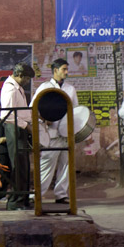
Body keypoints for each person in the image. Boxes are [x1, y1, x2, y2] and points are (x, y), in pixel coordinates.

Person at [32, 58, 78, 204]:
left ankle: (61, 194)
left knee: (66, 164)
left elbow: (75, 110)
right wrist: (44, 120)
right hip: (50, 132)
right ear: (55, 70)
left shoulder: (70, 89)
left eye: (67, 69)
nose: (66, 72)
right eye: (64, 69)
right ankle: (36, 194)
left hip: (67, 133)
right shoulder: (44, 88)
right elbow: (33, 108)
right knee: (46, 164)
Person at [0, 62, 35, 211]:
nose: (27, 82)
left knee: (24, 166)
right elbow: (7, 115)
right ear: (19, 75)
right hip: (14, 128)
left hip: (20, 127)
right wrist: (26, 126)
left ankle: (24, 198)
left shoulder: (18, 88)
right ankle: (16, 202)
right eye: (27, 79)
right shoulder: (10, 89)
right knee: (18, 166)